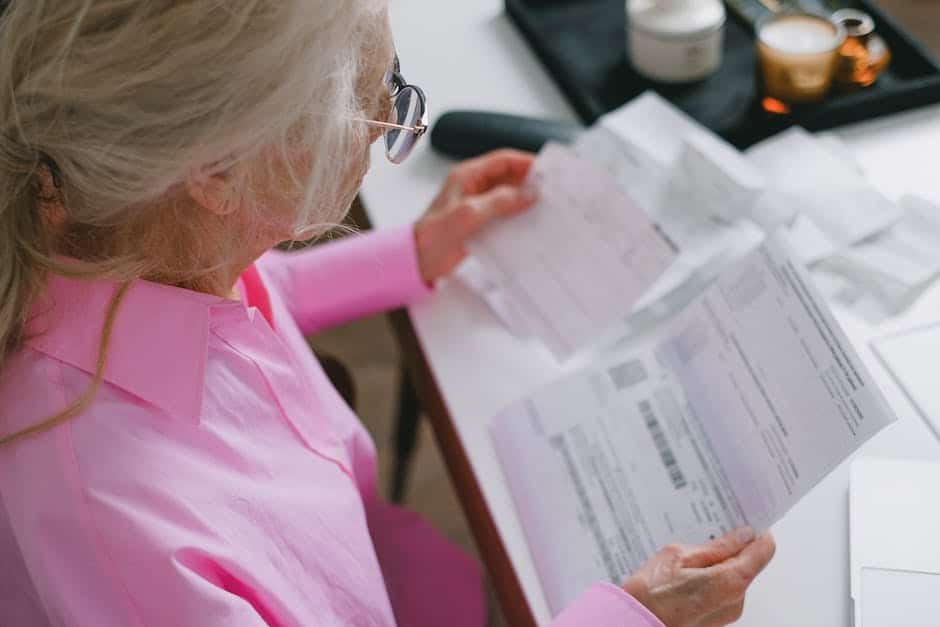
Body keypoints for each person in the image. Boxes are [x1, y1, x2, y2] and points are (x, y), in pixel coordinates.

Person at [0, 1, 775, 625]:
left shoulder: (127, 238)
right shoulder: (135, 555)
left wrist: (415, 251)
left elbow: (259, 299)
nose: (384, 122)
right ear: (217, 170)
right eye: (368, 100)